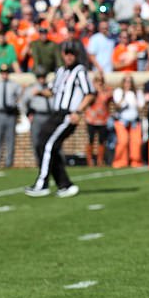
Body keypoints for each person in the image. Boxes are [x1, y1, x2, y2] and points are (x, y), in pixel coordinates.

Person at [25, 41, 96, 198]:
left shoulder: (80, 71)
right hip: (56, 114)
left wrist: (78, 111)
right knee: (42, 143)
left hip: (68, 114)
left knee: (49, 144)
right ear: (63, 55)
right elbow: (53, 91)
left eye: (72, 53)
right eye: (66, 53)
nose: (69, 56)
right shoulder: (61, 71)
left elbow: (90, 93)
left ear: (76, 55)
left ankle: (42, 183)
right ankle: (65, 185)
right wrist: (39, 92)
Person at [0, 65, 22, 168]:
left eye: (6, 72)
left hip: (10, 114)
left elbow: (20, 95)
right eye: (2, 72)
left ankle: (9, 163)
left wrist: (16, 104)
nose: (4, 74)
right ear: (0, 73)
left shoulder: (14, 85)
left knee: (10, 139)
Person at [21, 69, 52, 164]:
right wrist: (27, 114)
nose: (41, 79)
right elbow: (23, 102)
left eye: (43, 77)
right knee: (36, 141)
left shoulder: (50, 87)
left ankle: (50, 162)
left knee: (49, 141)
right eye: (39, 77)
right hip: (37, 116)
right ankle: (39, 162)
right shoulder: (31, 88)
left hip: (49, 116)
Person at [112, 74, 144, 168]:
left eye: (130, 81)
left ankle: (135, 161)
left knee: (136, 142)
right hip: (122, 121)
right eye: (126, 81)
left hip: (134, 121)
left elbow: (140, 107)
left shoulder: (137, 93)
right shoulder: (119, 92)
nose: (128, 83)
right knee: (123, 141)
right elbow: (117, 105)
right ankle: (120, 161)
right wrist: (124, 95)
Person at [84, 72, 112, 166]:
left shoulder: (106, 91)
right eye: (97, 80)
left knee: (101, 140)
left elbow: (110, 97)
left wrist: (103, 89)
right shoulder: (91, 91)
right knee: (90, 139)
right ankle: (90, 160)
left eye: (101, 80)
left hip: (102, 119)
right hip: (91, 118)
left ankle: (100, 160)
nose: (99, 82)